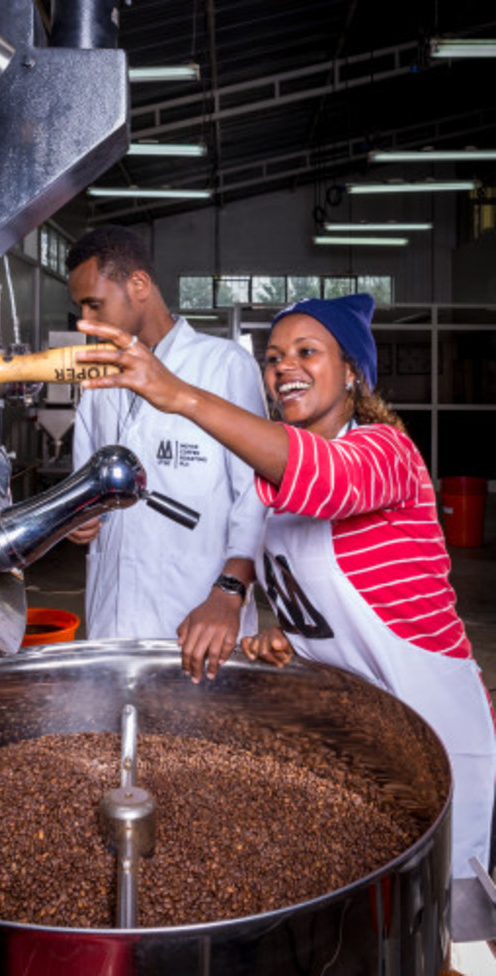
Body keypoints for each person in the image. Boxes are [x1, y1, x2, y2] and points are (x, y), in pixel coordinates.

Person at [72, 290, 496, 882]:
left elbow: (323, 477)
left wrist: (182, 396)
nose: (282, 368)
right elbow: (336, 598)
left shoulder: (386, 453)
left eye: (307, 352)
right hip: (356, 728)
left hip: (435, 730)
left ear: (352, 372)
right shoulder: (278, 501)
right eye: (272, 358)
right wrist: (293, 641)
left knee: (446, 918)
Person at [64, 225, 267, 670]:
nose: (85, 321)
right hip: (110, 620)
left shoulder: (222, 366)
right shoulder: (97, 384)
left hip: (197, 619)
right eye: (79, 307)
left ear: (138, 285)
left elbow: (256, 496)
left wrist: (229, 591)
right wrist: (78, 519)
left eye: (93, 304)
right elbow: (84, 491)